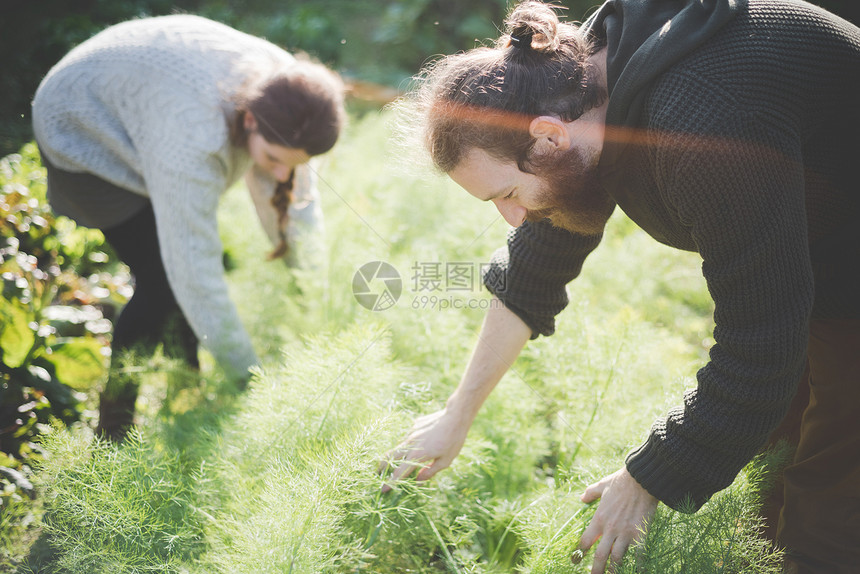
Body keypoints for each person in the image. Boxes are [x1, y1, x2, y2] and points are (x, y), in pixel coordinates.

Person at [383, 1, 860, 573]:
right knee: (768, 469)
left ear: (547, 138)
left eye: (505, 195)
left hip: (843, 259)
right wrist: (457, 413)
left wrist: (648, 475)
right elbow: (535, 267)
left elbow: (761, 347)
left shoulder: (699, 120)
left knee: (832, 503)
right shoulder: (578, 88)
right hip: (808, 243)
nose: (511, 218)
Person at [32, 14, 345, 440]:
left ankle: (185, 390)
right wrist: (249, 381)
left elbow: (299, 207)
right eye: (271, 159)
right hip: (80, 124)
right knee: (162, 280)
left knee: (177, 276)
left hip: (146, 103)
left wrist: (313, 290)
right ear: (250, 121)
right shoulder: (195, 139)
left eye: (290, 164)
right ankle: (113, 430)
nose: (278, 172)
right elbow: (195, 272)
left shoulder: (289, 94)